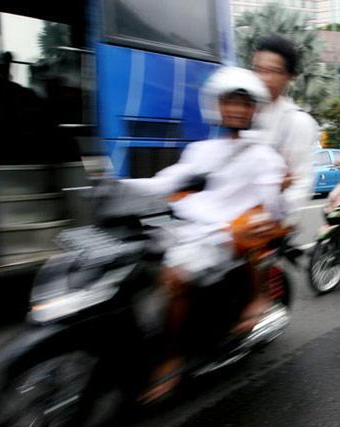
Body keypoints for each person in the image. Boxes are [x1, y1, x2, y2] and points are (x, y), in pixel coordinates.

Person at [121, 67, 288, 402]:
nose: (237, 110)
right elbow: (167, 180)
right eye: (230, 102)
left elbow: (274, 204)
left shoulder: (264, 157)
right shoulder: (200, 150)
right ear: (218, 105)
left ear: (254, 109)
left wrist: (266, 218)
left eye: (244, 103)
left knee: (174, 278)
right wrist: (119, 188)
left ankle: (171, 357)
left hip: (223, 238)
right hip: (185, 229)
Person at [251, 34, 318, 222]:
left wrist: (271, 218)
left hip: (265, 225)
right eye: (257, 69)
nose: (262, 77)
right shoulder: (242, 109)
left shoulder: (297, 121)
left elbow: (300, 182)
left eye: (272, 71)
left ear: (289, 77)